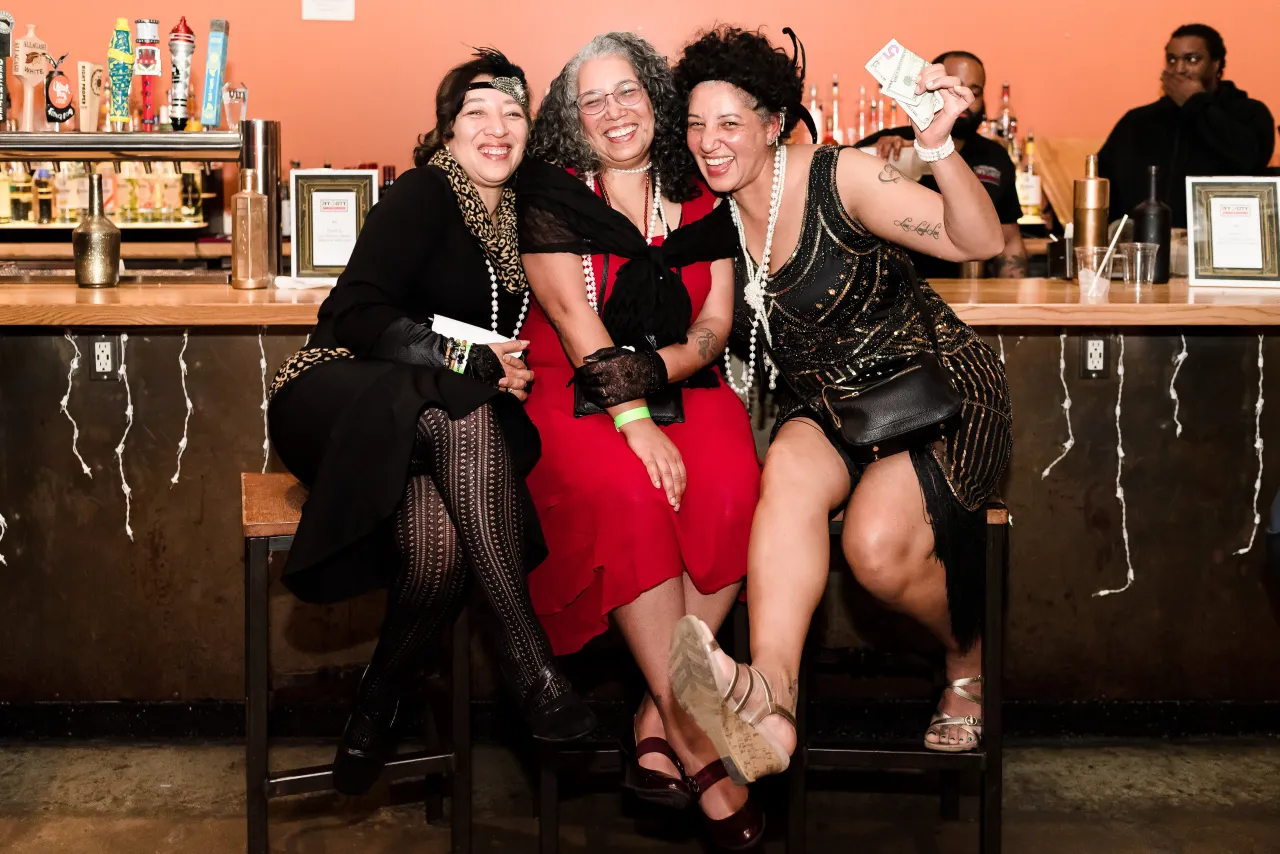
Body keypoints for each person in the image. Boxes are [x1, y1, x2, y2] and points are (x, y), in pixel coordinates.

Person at [666, 26, 1013, 785]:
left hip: (935, 390)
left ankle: (967, 656)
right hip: (832, 409)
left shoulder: (841, 175)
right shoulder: (712, 213)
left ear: (771, 121)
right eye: (695, 124)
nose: (708, 142)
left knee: (875, 551)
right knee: (785, 473)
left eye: (728, 123)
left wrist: (939, 146)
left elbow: (975, 240)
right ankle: (771, 700)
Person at [266, 49, 594, 796]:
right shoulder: (422, 194)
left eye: (513, 112)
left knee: (442, 551)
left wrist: (494, 370)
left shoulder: (522, 211)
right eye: (477, 112)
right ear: (447, 132)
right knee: (464, 410)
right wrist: (466, 362)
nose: (497, 126)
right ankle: (531, 665)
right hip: (339, 394)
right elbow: (351, 313)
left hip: (440, 419)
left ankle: (378, 699)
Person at [517, 31, 763, 848]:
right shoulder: (553, 191)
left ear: (655, 98)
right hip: (579, 389)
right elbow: (572, 322)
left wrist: (665, 369)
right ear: (571, 118)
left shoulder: (698, 193)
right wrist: (632, 418)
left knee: (732, 488)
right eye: (593, 100)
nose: (613, 112)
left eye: (628, 92)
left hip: (685, 382)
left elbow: (717, 322)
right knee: (631, 491)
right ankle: (699, 740)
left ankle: (657, 710)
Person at [857, 51, 1028, 278]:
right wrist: (880, 158)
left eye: (974, 92)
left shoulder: (995, 156)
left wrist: (1013, 298)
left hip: (968, 291)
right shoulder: (889, 143)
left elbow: (1009, 238)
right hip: (893, 296)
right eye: (952, 89)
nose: (964, 98)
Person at [1098, 23, 1275, 228]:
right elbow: (1103, 181)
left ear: (1216, 64)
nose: (1179, 69)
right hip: (1145, 245)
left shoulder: (1248, 113)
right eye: (1172, 60)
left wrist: (1196, 103)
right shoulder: (1137, 121)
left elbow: (1250, 159)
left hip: (1222, 241)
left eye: (1192, 59)